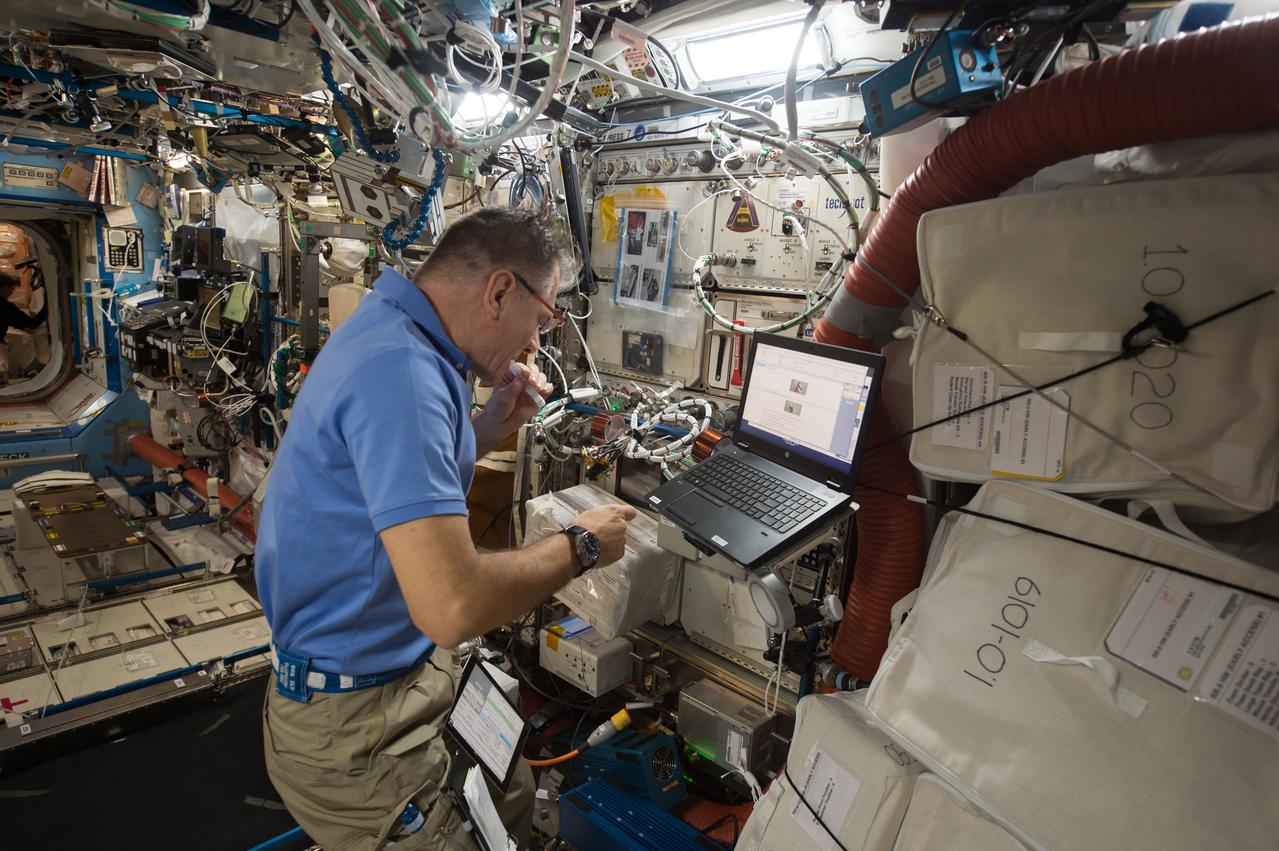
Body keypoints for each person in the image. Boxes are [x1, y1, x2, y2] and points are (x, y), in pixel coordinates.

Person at [255, 206, 636, 850]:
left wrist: (483, 430)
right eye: (542, 320)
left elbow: (379, 481)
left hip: (404, 675)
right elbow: (453, 606)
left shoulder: (395, 329)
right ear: (500, 291)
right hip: (357, 726)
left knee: (510, 794)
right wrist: (583, 545)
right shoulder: (403, 375)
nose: (537, 345)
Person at [0, 271, 47, 342]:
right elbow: (33, 324)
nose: (12, 293)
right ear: (5, 287)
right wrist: (47, 308)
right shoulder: (6, 307)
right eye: (12, 290)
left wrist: (22, 327)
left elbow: (10, 320)